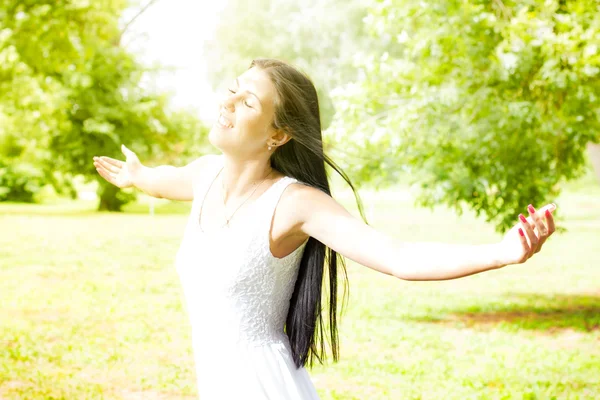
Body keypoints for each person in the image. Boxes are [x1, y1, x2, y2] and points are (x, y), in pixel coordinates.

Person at [92, 58, 556, 399]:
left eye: (248, 99)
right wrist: (136, 176)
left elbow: (399, 258)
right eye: (232, 88)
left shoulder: (294, 204)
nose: (227, 101)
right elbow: (157, 182)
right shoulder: (205, 174)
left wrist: (503, 251)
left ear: (278, 135)